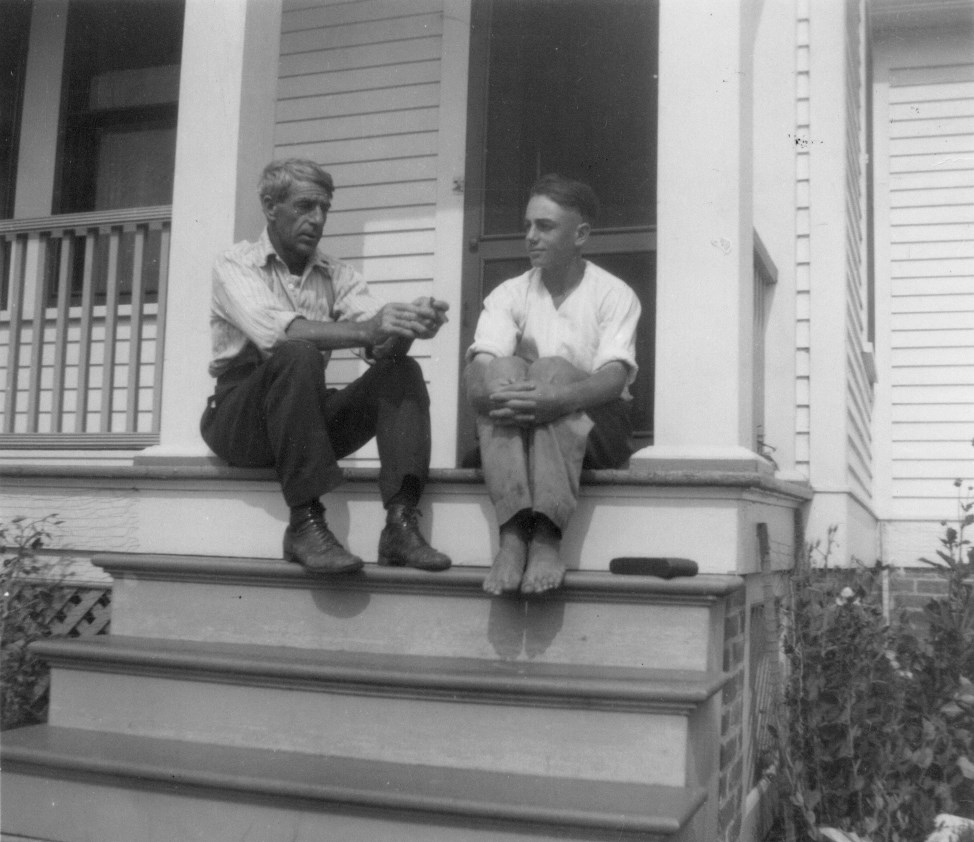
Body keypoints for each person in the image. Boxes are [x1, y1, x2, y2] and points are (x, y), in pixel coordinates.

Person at [201, 159, 451, 575]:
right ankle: (305, 523)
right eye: (304, 206)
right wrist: (370, 329)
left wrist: (408, 327)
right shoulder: (235, 264)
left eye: (324, 209)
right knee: (297, 350)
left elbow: (380, 345)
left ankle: (401, 526)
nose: (317, 220)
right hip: (240, 421)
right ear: (269, 206)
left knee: (401, 371)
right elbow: (279, 333)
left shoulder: (338, 275)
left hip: (303, 421)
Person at [464, 174, 641, 596]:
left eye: (544, 227)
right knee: (504, 365)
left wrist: (555, 398)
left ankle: (545, 537)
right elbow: (478, 374)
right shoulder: (510, 294)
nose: (530, 237)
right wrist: (500, 392)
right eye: (527, 225)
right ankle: (512, 534)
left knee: (552, 370)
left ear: (580, 234)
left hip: (599, 430)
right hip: (525, 422)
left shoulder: (613, 294)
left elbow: (614, 378)